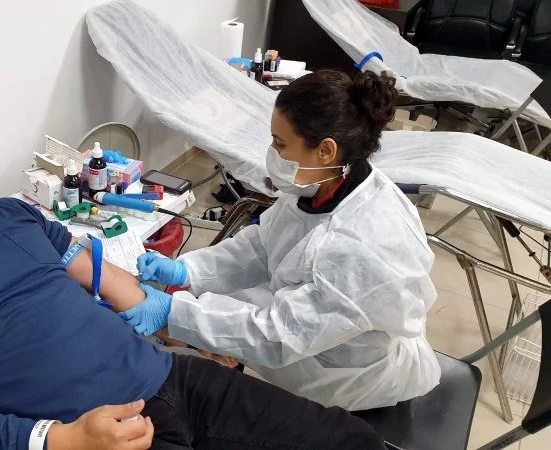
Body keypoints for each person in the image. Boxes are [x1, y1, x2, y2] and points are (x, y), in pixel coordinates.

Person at [0, 89, 384, 450]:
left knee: (349, 441)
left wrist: (172, 315)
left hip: (174, 380)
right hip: (89, 434)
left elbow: (100, 275)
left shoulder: (15, 215)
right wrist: (59, 440)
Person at [120, 70, 442, 412]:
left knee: (202, 334)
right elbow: (262, 246)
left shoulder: (361, 247)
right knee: (212, 315)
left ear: (326, 150)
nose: (273, 152)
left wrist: (176, 314)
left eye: (281, 143)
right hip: (315, 329)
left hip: (346, 375)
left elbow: (279, 334)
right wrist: (188, 270)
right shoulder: (324, 181)